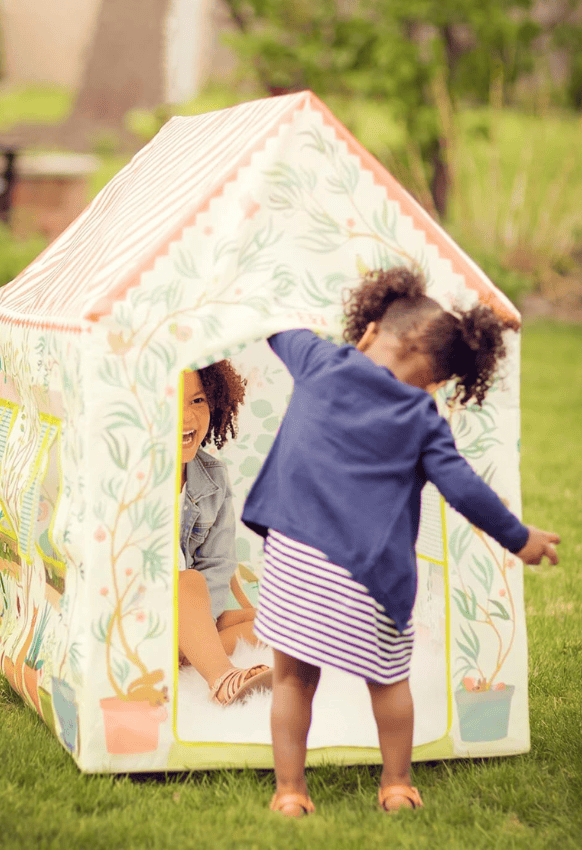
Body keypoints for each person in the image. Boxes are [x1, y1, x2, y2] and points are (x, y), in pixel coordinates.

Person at [240, 266, 562, 816]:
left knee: (292, 680)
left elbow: (276, 326)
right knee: (388, 680)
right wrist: (519, 538)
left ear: (367, 333)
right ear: (437, 381)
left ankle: (290, 793)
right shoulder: (422, 417)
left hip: (294, 560)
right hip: (368, 575)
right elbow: (463, 488)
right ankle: (396, 785)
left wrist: (247, 287)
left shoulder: (320, 361)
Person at [177, 360, 273, 705]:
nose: (187, 418)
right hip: (142, 611)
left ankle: (190, 651)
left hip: (191, 610)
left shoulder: (213, 478)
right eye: (173, 401)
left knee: (268, 624)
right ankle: (222, 677)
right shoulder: (132, 477)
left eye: (197, 401)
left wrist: (201, 621)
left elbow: (218, 565)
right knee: (186, 582)